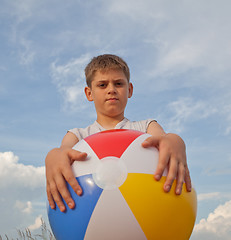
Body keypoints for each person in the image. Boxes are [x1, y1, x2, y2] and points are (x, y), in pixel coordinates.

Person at [45, 54, 191, 212]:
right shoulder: (78, 135)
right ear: (89, 93)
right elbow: (62, 151)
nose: (111, 90)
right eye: (102, 85)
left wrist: (177, 141)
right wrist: (52, 156)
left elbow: (165, 139)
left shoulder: (146, 127)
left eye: (118, 83)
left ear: (129, 90)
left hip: (147, 209)